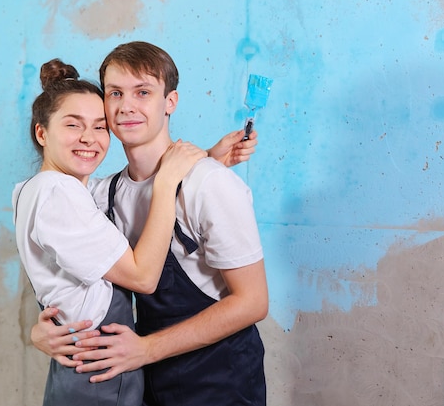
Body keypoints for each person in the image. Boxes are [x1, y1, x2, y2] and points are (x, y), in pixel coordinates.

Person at [31, 41, 268, 406]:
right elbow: (61, 267)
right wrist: (39, 331)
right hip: (147, 381)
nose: (127, 106)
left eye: (143, 92)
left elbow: (253, 302)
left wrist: (146, 349)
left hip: (220, 380)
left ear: (169, 102)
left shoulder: (211, 184)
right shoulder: (101, 193)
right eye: (115, 93)